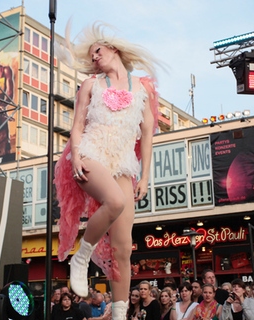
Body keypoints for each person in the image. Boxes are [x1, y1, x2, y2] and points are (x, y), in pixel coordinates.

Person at [54, 21, 162, 320]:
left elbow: (149, 134)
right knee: (115, 201)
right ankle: (82, 255)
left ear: (113, 48)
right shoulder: (91, 84)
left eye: (97, 51)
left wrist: (145, 175)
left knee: (123, 248)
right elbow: (77, 127)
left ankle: (118, 313)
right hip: (91, 153)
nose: (94, 58)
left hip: (124, 163)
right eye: (90, 56)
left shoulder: (142, 88)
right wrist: (75, 157)